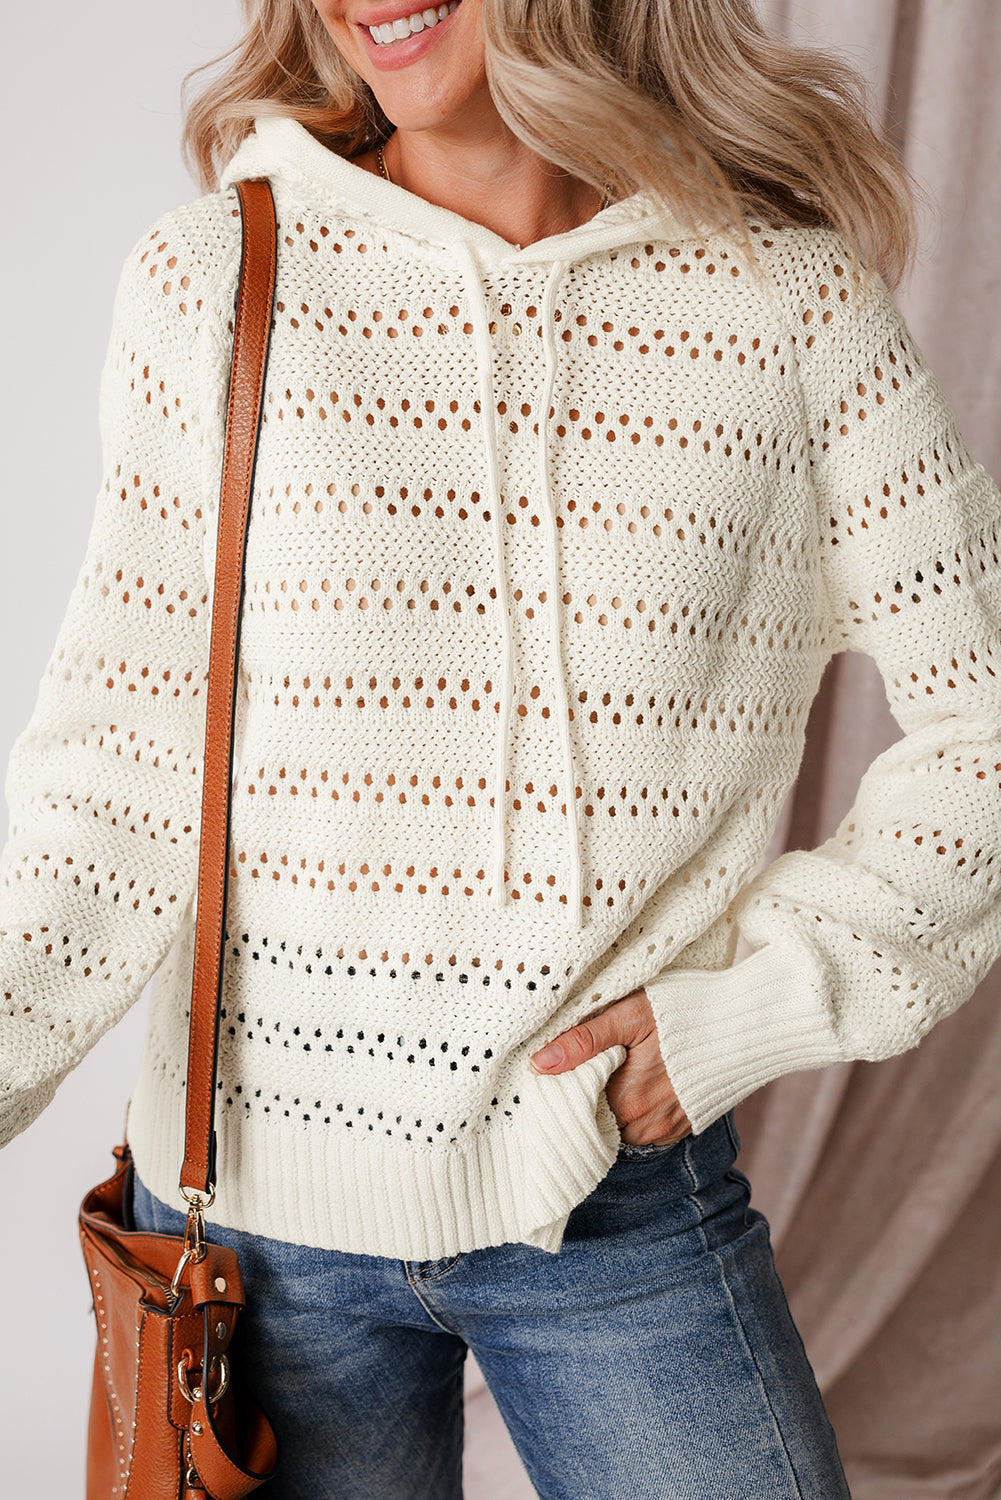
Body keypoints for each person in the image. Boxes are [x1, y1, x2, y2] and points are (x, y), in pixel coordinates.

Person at [2, 0, 999, 1495]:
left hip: (618, 1197)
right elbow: (116, 774)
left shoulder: (788, 306)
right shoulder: (220, 280)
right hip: (257, 1230)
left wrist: (752, 1007)